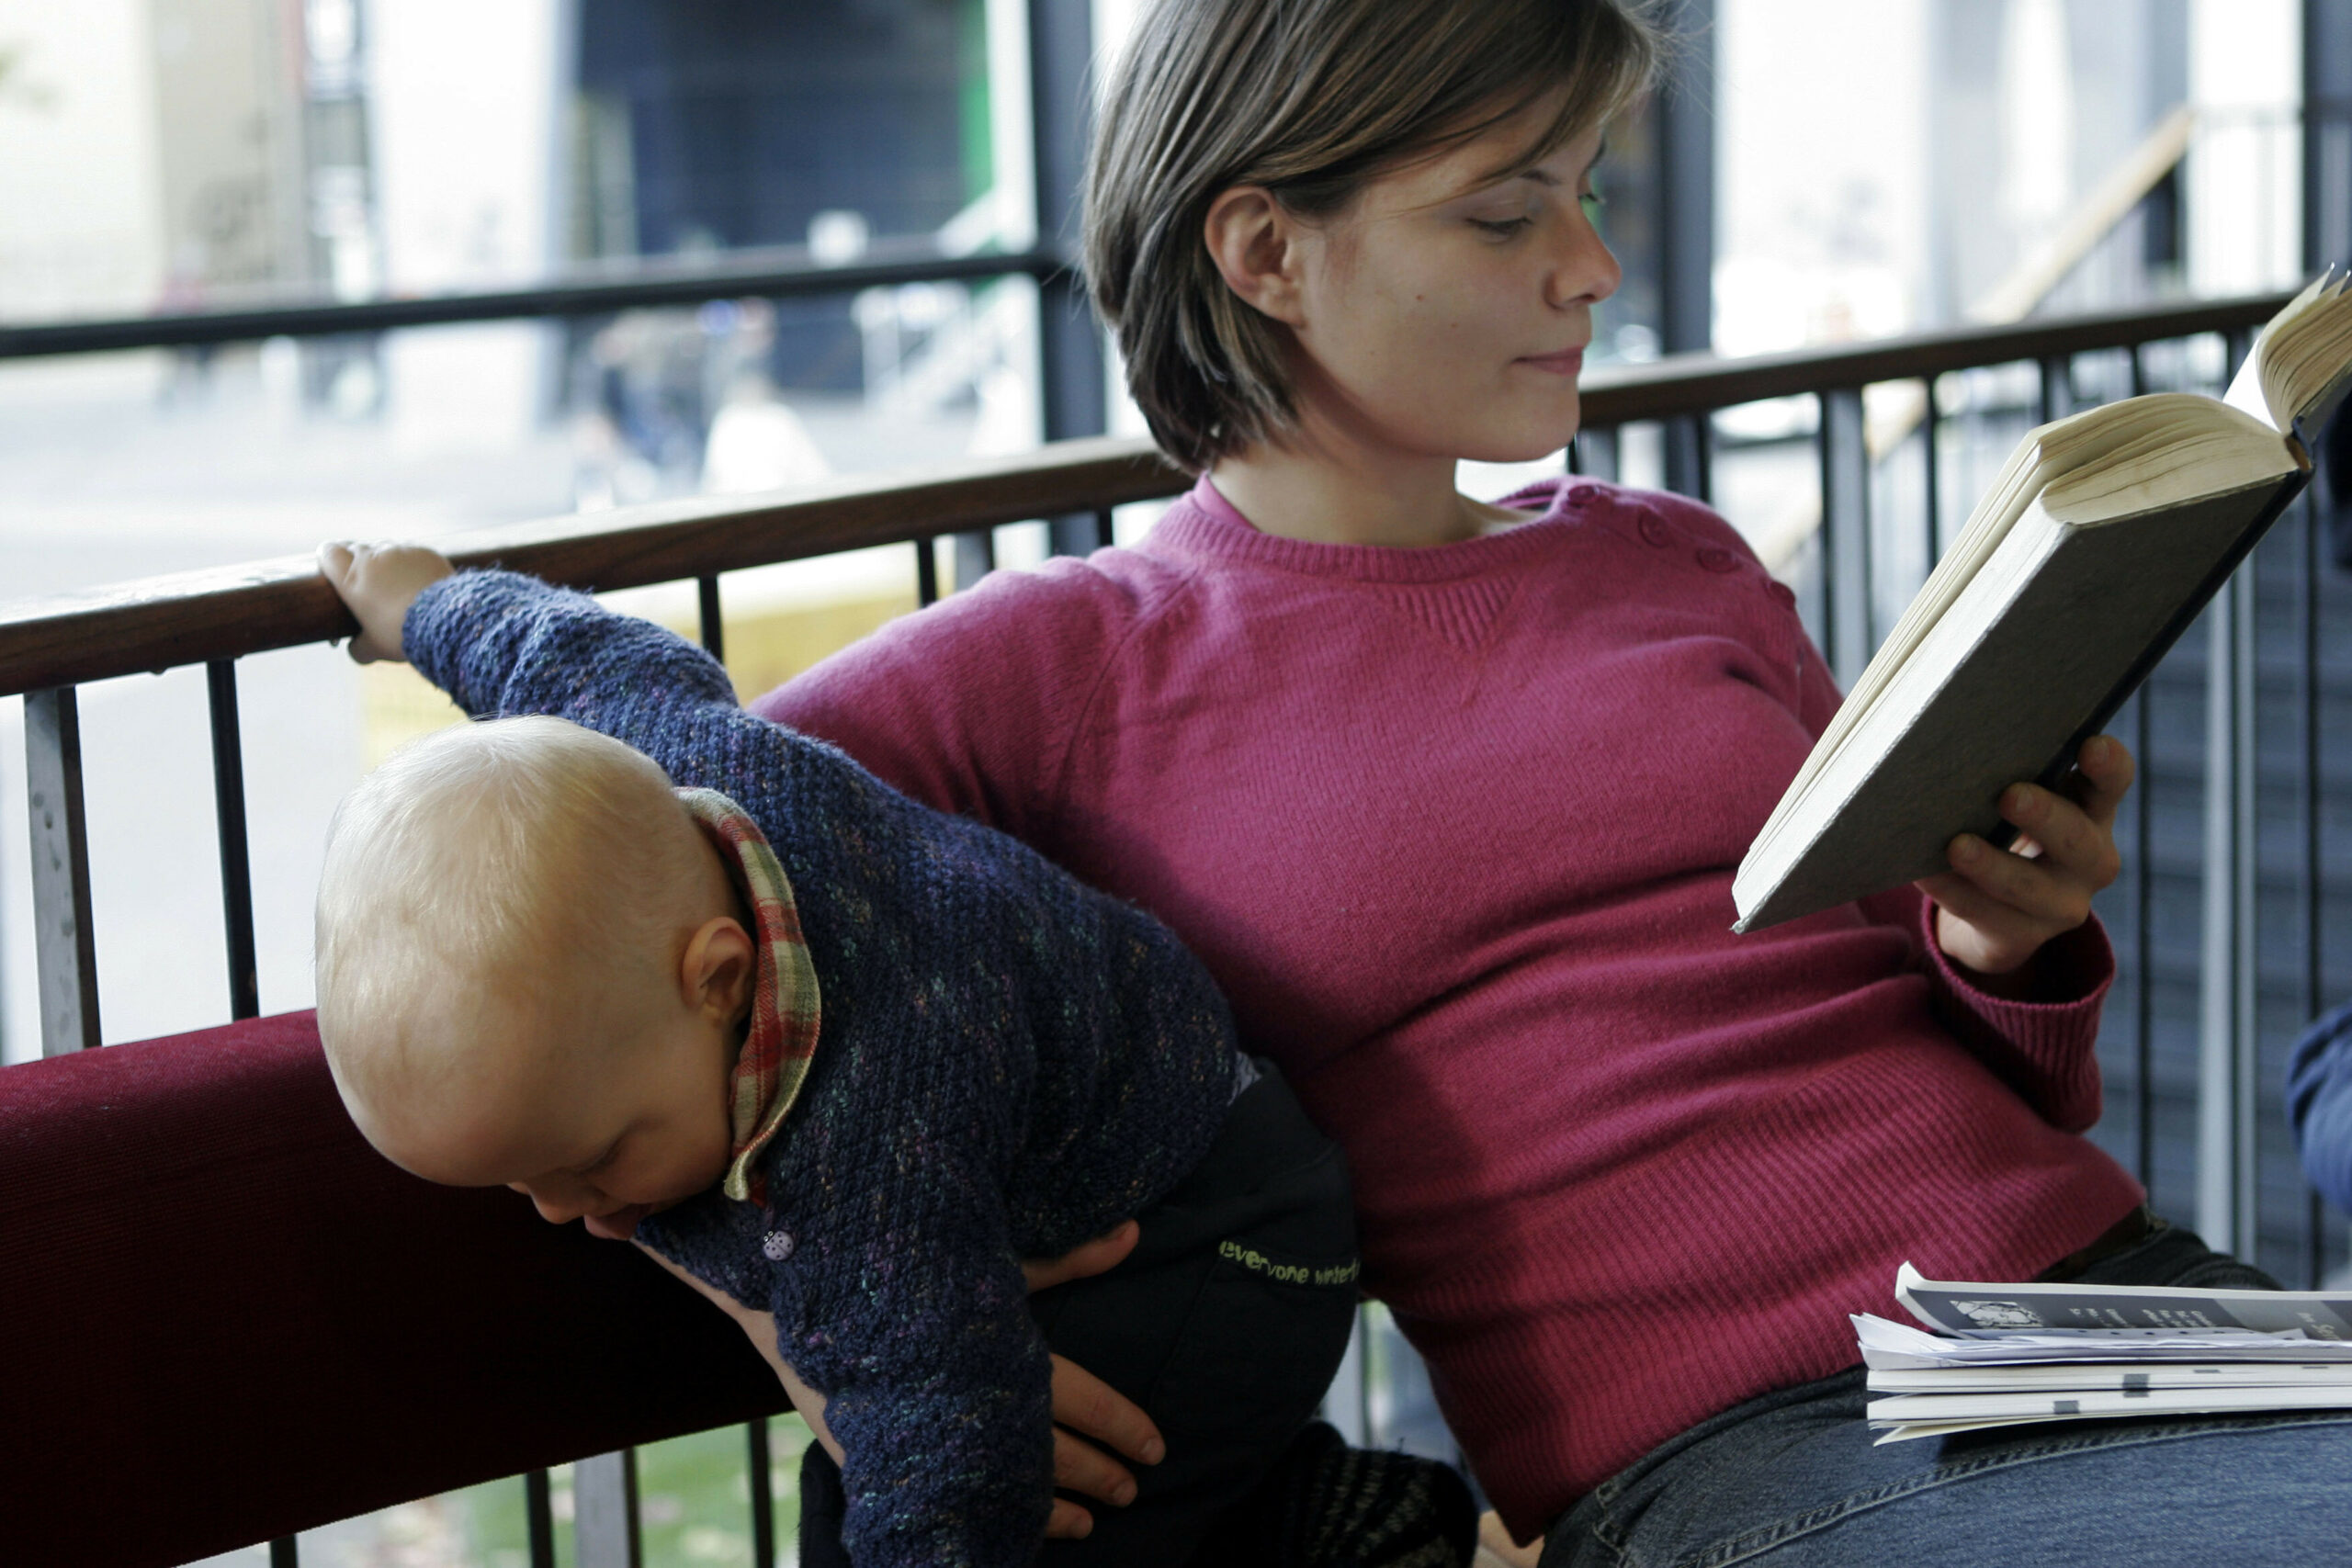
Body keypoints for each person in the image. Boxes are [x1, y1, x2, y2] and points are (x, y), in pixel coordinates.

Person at [703, 0, 2352, 1562]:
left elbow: (1986, 1069)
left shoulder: (1682, 559)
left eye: (1587, 193)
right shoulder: (1062, 667)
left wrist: (2009, 944)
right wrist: (805, 1305)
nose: (1593, 267)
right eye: (1507, 219)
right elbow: (587, 871)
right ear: (1266, 250)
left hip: (2130, 1311)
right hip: (1762, 1442)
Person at [311, 547, 1476, 1567]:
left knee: (993, 1512)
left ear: (718, 979)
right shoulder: (652, 763)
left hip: (1220, 1240)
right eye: (525, 1185)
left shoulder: (871, 1129)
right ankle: (1302, 1514)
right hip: (1145, 1151)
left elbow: (943, 1444)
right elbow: (551, 650)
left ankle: (1297, 1522)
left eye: (596, 1157)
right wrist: (426, 605)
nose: (568, 1212)